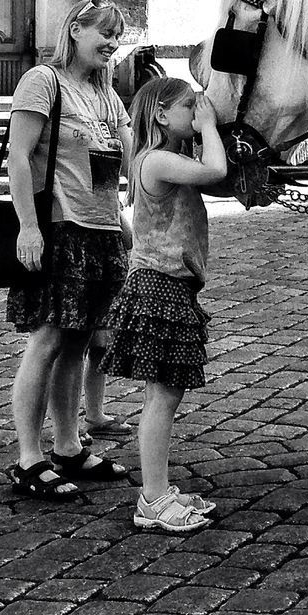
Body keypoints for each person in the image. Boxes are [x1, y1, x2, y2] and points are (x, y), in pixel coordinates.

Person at [8, 0, 133, 502]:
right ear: (76, 29)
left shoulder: (107, 96)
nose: (112, 44)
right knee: (47, 340)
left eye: (118, 37)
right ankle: (28, 457)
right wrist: (28, 227)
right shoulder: (44, 81)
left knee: (79, 344)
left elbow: (124, 164)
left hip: (103, 233)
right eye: (105, 33)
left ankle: (67, 446)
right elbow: (19, 156)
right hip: (60, 228)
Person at [101, 78, 227, 534]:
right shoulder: (155, 161)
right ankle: (152, 499)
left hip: (170, 285)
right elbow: (216, 171)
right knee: (163, 397)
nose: (197, 112)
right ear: (160, 115)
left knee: (165, 394)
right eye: (189, 107)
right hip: (159, 286)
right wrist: (210, 125)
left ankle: (159, 490)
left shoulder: (167, 159)